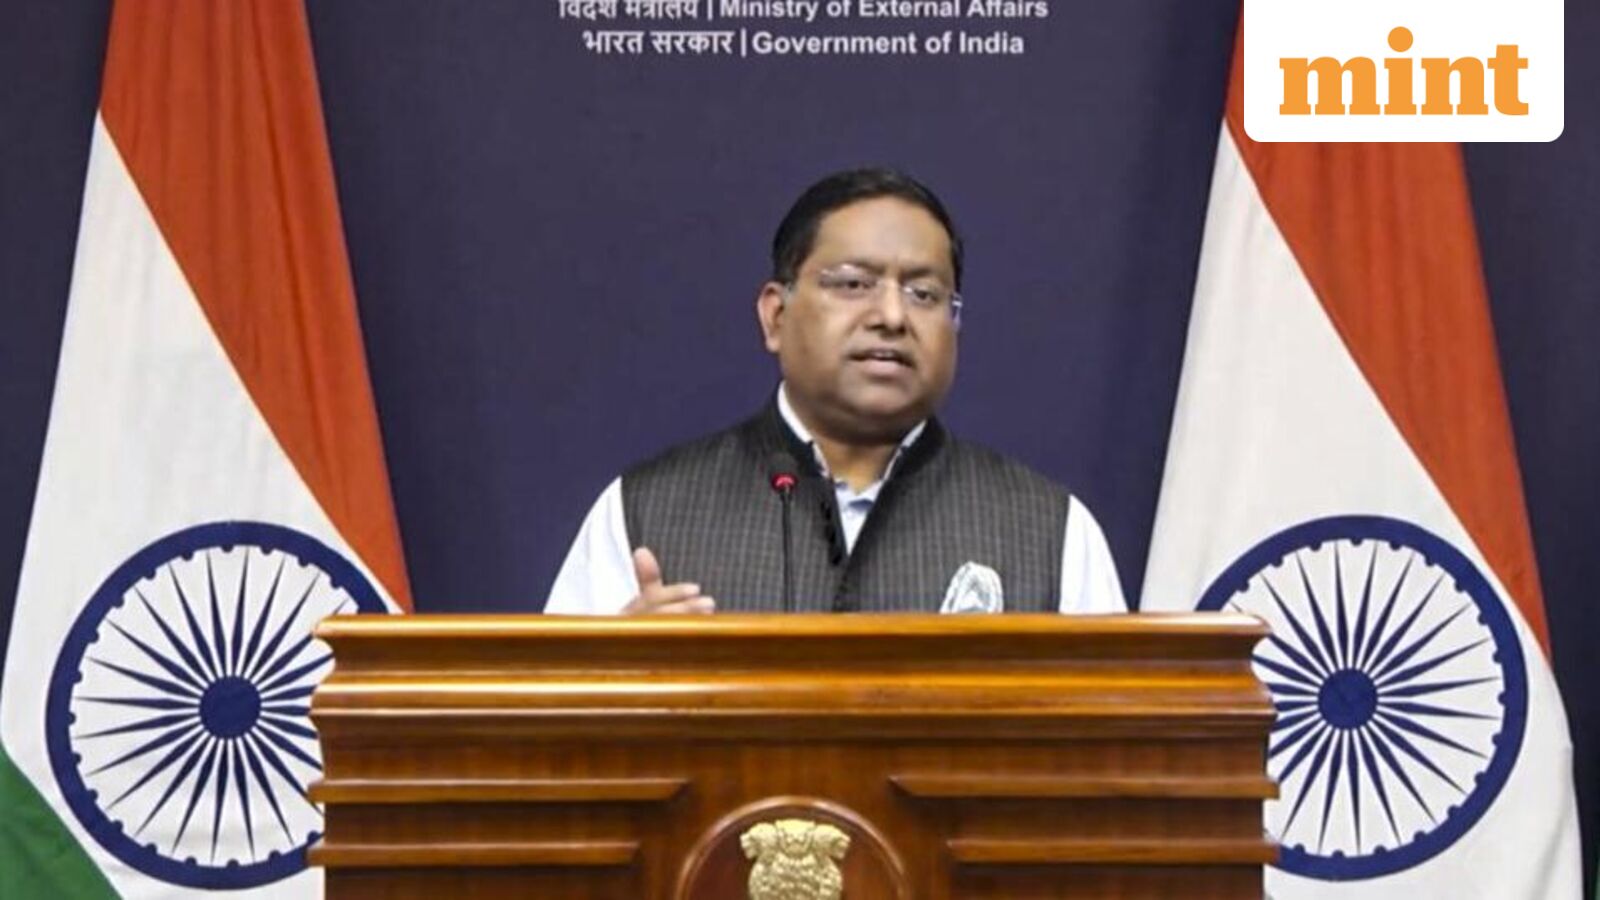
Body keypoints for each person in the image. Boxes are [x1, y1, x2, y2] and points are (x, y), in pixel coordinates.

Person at [546, 168, 1125, 615]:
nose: (893, 315)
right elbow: (553, 744)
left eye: (924, 294)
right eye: (853, 284)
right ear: (775, 316)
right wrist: (618, 683)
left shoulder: (1050, 530)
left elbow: (1112, 753)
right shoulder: (643, 512)